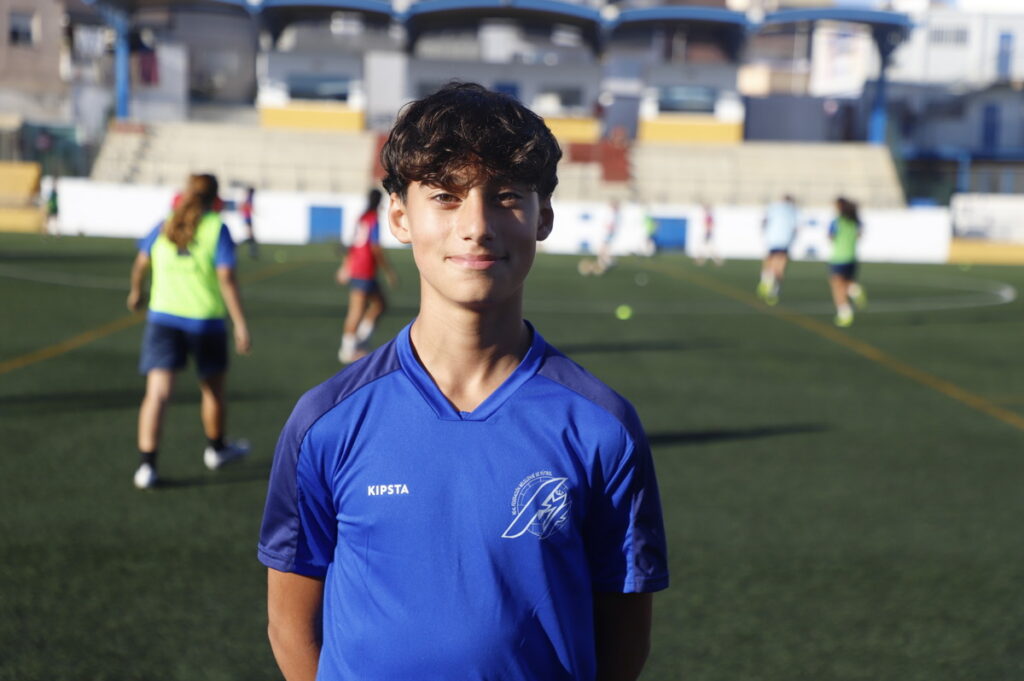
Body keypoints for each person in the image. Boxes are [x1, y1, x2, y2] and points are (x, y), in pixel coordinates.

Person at [258, 82, 669, 681]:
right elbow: (289, 626)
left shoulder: (603, 428)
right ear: (399, 216)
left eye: (506, 196)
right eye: (446, 197)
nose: (476, 225)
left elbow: (624, 643)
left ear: (543, 216)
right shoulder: (326, 422)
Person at [127, 173, 251, 489]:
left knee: (156, 394)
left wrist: (136, 291)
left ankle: (146, 467)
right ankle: (216, 449)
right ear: (215, 198)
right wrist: (240, 323)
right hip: (204, 321)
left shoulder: (164, 223)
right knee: (212, 390)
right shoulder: (215, 228)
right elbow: (226, 278)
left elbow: (141, 262)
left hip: (163, 319)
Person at [336, 188, 397, 363]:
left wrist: (346, 266)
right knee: (357, 310)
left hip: (359, 268)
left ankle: (360, 341)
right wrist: (389, 271)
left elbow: (353, 245)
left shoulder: (362, 218)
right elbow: (375, 247)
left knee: (380, 304)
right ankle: (347, 350)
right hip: (365, 269)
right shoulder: (372, 220)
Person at [828, 196, 867, 327]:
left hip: (839, 257)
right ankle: (854, 290)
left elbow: (830, 237)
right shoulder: (855, 221)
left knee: (837, 286)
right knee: (846, 282)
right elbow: (859, 235)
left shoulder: (837, 222)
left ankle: (845, 313)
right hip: (851, 257)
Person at [757, 194, 799, 305]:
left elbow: (764, 221)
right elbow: (795, 228)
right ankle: (773, 292)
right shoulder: (793, 210)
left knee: (769, 261)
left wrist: (765, 232)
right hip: (785, 240)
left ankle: (766, 279)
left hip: (772, 239)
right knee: (780, 266)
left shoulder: (774, 207)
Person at [694, 202, 722, 266]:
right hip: (707, 233)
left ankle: (701, 261)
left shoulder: (709, 216)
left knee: (705, 247)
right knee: (707, 248)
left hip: (707, 233)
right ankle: (702, 260)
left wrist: (708, 233)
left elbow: (709, 225)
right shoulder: (708, 215)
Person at [240, 186, 259, 259]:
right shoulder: (249, 198)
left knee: (251, 235)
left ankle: (252, 251)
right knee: (251, 236)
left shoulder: (248, 197)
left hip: (247, 218)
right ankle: (252, 251)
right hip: (247, 219)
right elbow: (245, 206)